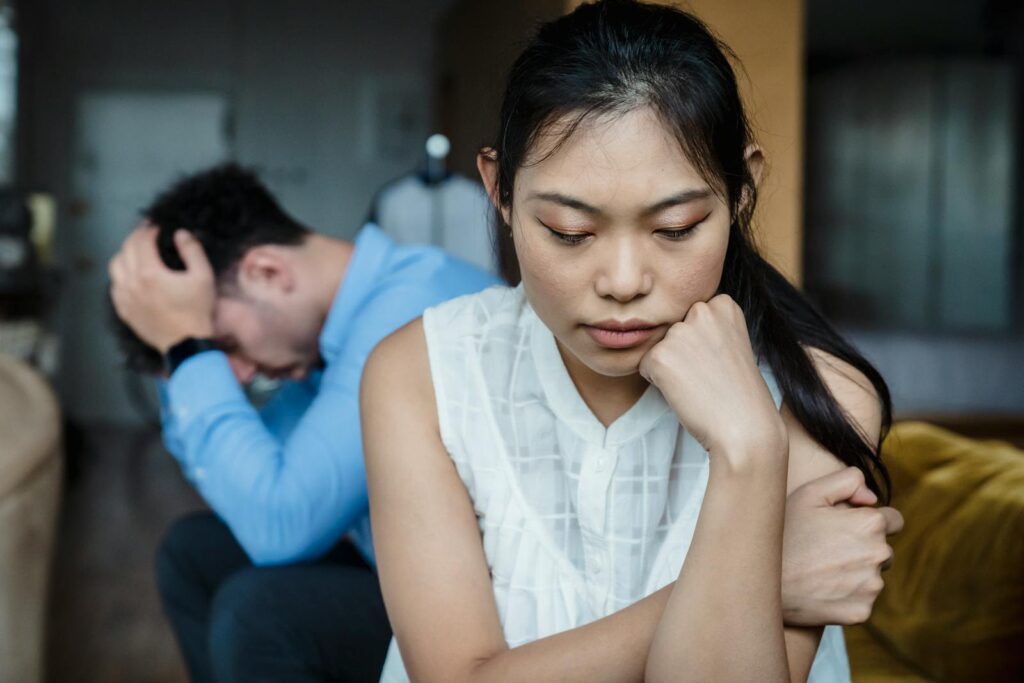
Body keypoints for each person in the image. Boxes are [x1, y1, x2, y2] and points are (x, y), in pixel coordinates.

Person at [361, 2, 903, 681]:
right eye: (570, 232)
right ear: (499, 191)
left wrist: (749, 449)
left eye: (675, 228)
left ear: (742, 191)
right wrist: (767, 577)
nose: (622, 282)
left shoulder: (823, 395)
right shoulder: (423, 373)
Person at [107, 163, 497, 683]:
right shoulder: (311, 347)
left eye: (222, 345)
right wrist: (175, 356)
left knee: (259, 614)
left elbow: (281, 525)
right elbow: (245, 491)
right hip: (399, 568)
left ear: (268, 272)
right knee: (192, 552)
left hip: (479, 609)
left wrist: (187, 348)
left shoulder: (410, 306)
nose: (234, 376)